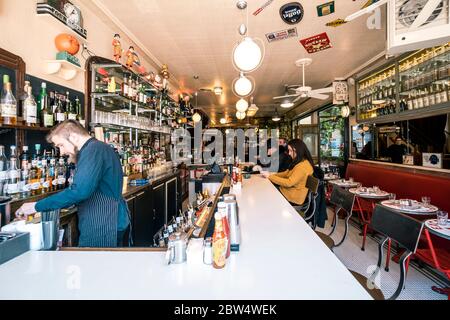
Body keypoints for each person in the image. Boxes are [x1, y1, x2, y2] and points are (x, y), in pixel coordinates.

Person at [16, 120, 130, 247]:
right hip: (109, 218)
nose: (61, 152)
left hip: (103, 222)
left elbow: (79, 191)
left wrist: (36, 206)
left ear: (74, 137)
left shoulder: (93, 150)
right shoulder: (98, 148)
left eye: (61, 145)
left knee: (96, 264)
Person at [262, 139, 314, 206]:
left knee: (266, 193)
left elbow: (289, 182)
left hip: (293, 198)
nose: (289, 153)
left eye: (290, 150)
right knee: (267, 190)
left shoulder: (303, 166)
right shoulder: (300, 162)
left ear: (297, 151)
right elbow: (286, 173)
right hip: (288, 192)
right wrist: (272, 174)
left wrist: (270, 176)